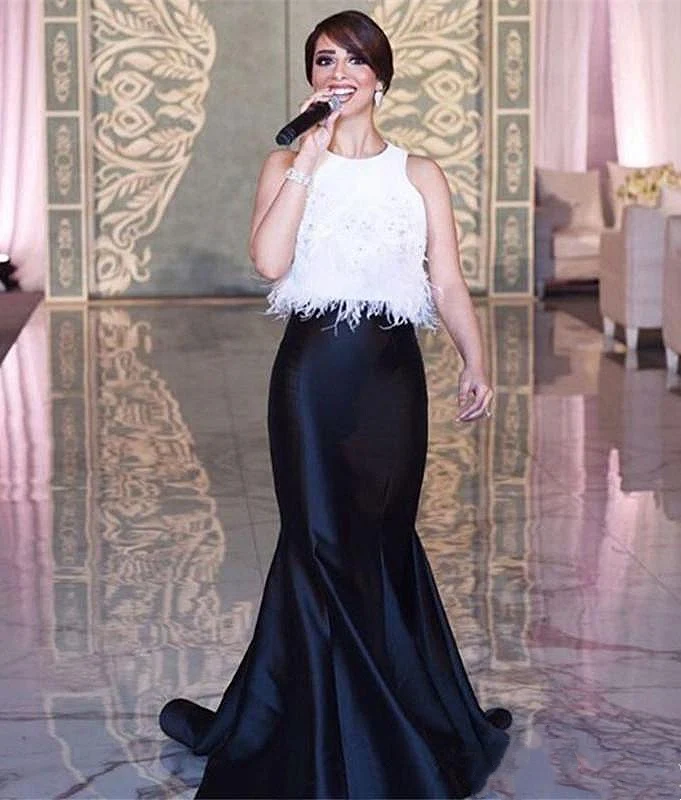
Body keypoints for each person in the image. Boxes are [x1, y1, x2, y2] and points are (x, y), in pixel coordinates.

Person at [159, 10, 511, 798]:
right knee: (318, 545)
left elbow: (447, 281)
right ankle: (327, 732)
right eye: (325, 61)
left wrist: (475, 358)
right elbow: (267, 261)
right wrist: (307, 163)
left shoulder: (419, 172)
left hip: (391, 380)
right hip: (312, 378)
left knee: (380, 542)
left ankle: (391, 715)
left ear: (380, 76)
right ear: (310, 78)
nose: (339, 74)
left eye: (354, 60)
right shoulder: (287, 162)